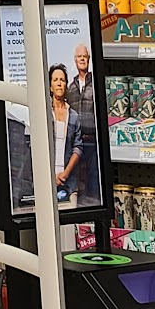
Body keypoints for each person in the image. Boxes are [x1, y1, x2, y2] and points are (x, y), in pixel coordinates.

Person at [66, 40, 100, 207]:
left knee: (94, 178)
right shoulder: (70, 87)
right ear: (75, 60)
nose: (82, 59)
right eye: (79, 56)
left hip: (93, 139)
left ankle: (93, 208)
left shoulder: (95, 83)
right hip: (76, 142)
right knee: (77, 178)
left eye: (84, 56)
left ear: (89, 59)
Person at [48, 64, 83, 204]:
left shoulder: (74, 116)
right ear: (50, 86)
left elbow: (78, 148)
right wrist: (51, 175)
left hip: (69, 182)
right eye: (55, 80)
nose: (59, 83)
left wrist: (65, 174)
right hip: (46, 181)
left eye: (62, 80)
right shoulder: (44, 113)